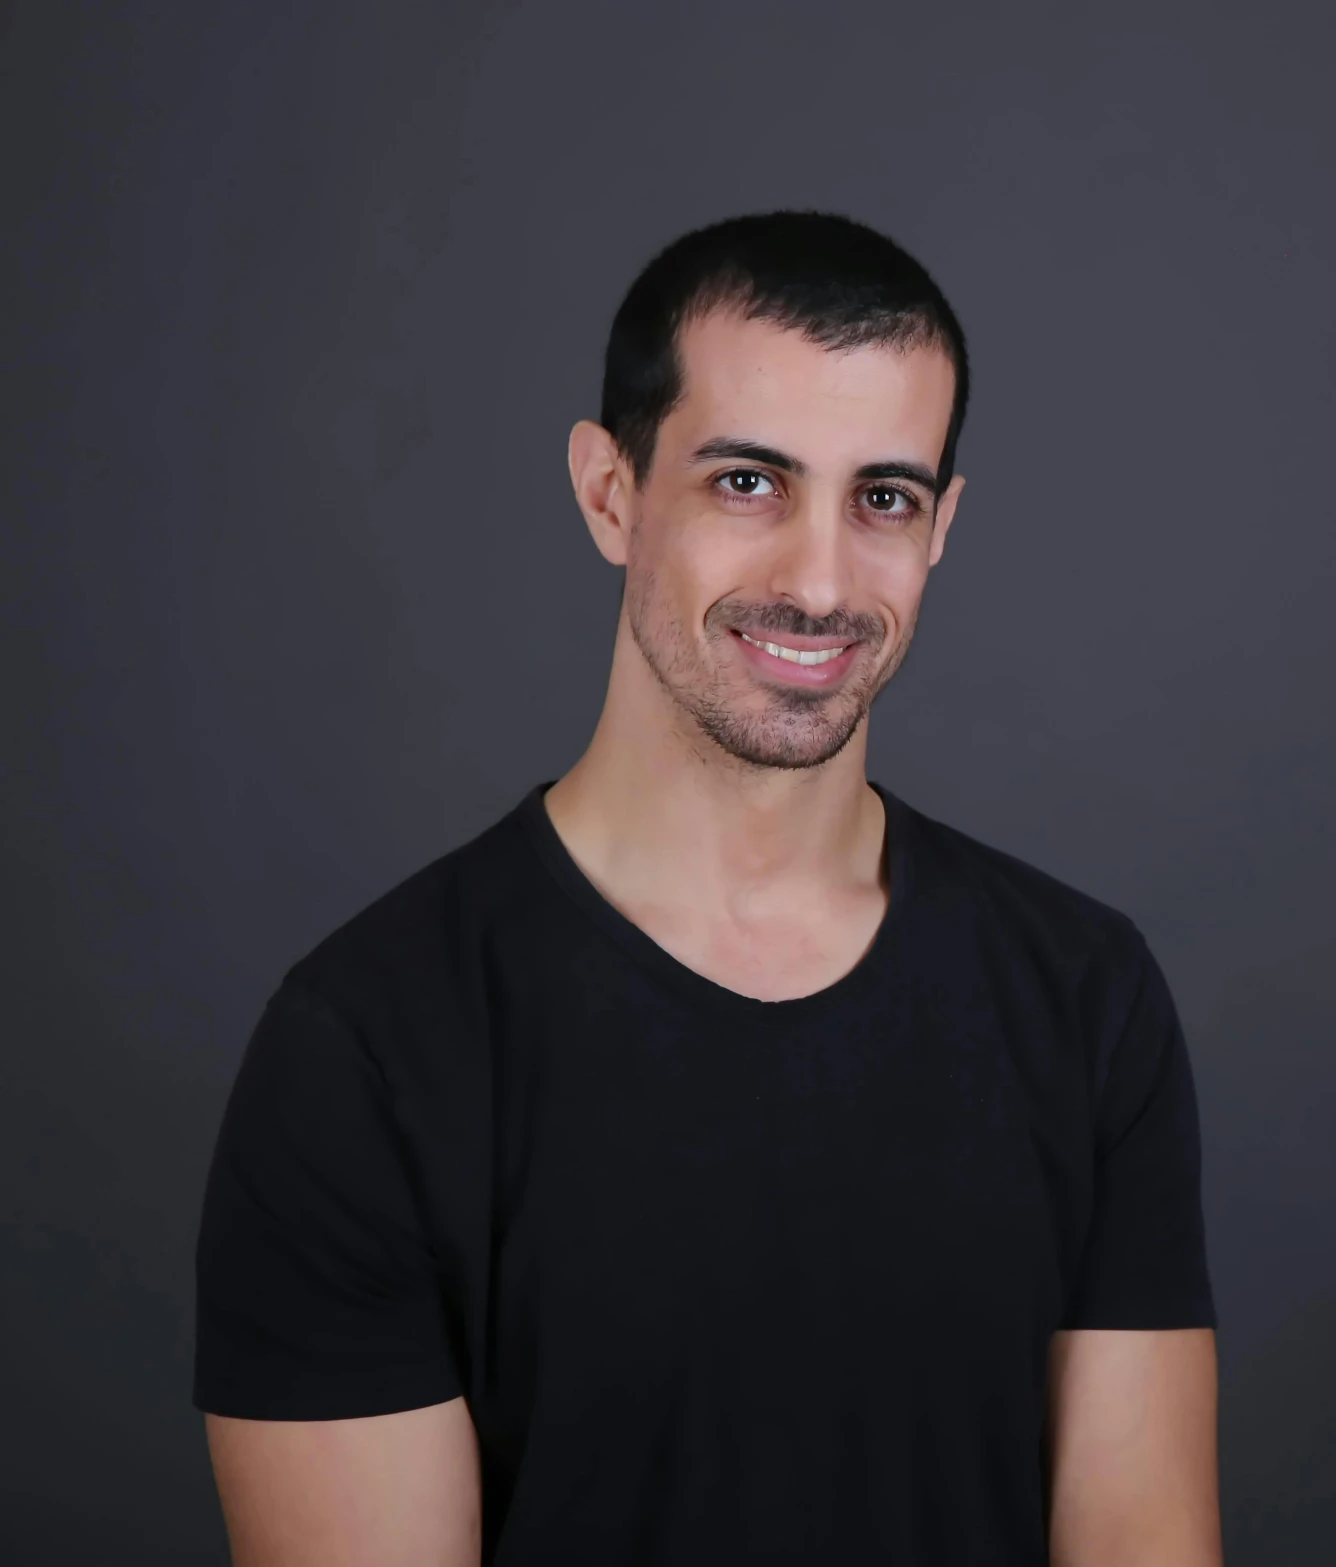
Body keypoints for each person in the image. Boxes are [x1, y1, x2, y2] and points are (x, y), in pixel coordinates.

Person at [193, 212, 1220, 1565]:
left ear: (942, 525)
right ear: (610, 492)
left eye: (883, 498)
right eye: (747, 482)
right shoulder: (368, 1046)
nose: (816, 579)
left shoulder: (1085, 997)